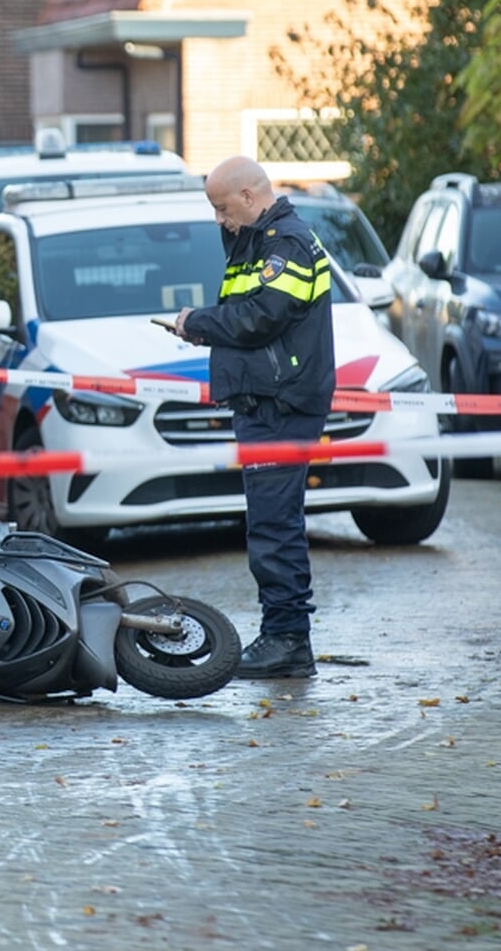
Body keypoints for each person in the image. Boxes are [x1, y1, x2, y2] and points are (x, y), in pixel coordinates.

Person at [170, 156, 335, 679]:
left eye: (222, 209)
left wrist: (198, 323)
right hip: (265, 400)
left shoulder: (287, 245)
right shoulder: (260, 240)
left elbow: (261, 316)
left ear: (247, 196)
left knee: (274, 527)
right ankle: (283, 635)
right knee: (271, 522)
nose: (219, 220)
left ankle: (287, 640)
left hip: (279, 403)